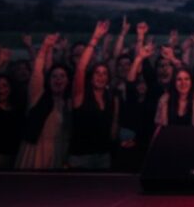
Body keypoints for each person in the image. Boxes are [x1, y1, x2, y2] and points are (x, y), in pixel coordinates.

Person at [16, 34, 72, 169]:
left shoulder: (66, 103)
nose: (58, 79)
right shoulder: (38, 96)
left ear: (68, 80)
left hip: (57, 152)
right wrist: (45, 47)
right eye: (54, 76)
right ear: (48, 80)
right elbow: (37, 71)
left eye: (62, 76)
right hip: (35, 151)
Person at [68, 20, 119, 169]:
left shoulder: (109, 98)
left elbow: (113, 127)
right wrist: (95, 39)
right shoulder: (81, 96)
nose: (101, 77)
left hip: (103, 156)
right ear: (90, 78)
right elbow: (80, 69)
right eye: (97, 73)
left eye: (104, 74)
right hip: (80, 157)